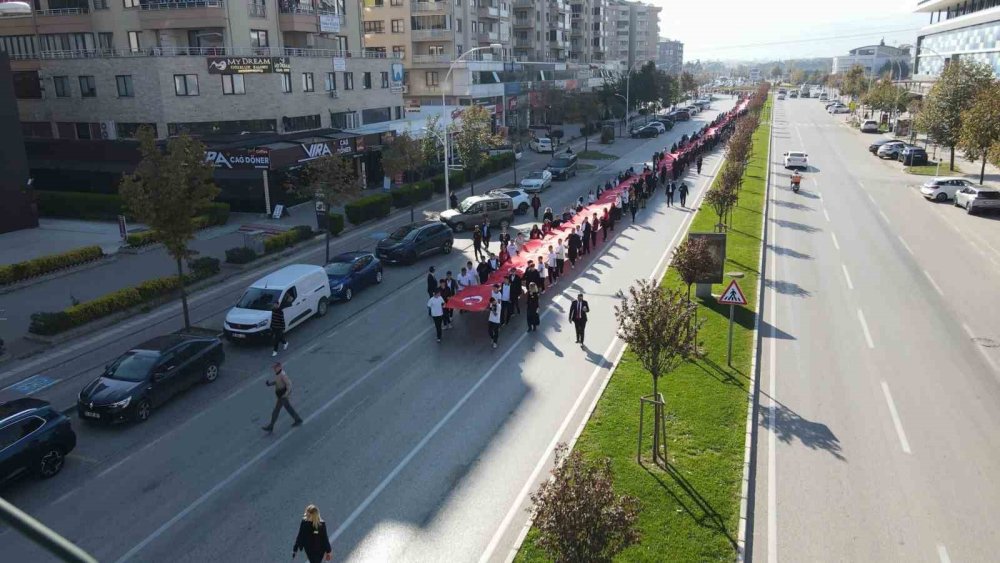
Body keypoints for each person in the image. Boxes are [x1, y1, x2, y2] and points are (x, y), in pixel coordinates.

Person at [262, 362, 303, 431]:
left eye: (275, 368)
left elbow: (289, 385)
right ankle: (298, 419)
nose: (274, 369)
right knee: (287, 409)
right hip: (281, 396)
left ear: (279, 367)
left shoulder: (283, 375)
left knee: (277, 410)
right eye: (274, 368)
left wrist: (286, 394)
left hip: (282, 396)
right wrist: (270, 384)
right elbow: (277, 382)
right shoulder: (278, 374)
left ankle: (271, 426)